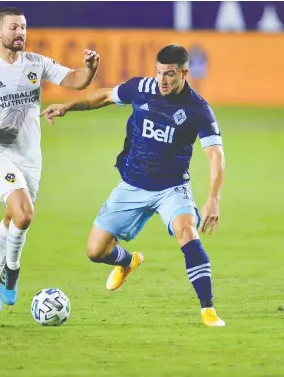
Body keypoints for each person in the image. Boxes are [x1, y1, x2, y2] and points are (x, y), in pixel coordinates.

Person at [40, 44, 226, 327]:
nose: (163, 80)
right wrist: (68, 106)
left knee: (186, 231)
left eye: (171, 75)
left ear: (185, 73)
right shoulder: (141, 88)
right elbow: (103, 97)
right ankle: (128, 261)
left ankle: (208, 310)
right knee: (95, 251)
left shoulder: (198, 109)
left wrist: (213, 198)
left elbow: (216, 157)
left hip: (172, 188)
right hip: (132, 184)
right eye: (160, 73)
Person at [0, 7, 100, 311]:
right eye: (14, 28)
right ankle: (11, 271)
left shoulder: (36, 64)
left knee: (14, 215)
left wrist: (91, 68)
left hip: (30, 158)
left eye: (24, 28)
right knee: (25, 214)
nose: (20, 33)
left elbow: (77, 80)